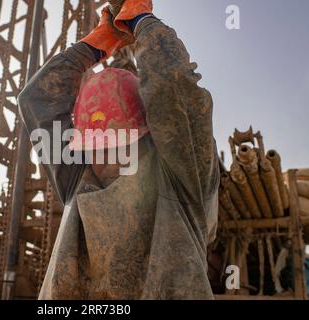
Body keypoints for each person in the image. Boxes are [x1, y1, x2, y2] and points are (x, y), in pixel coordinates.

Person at [18, 0, 219, 299]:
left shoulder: (180, 178)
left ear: (148, 138)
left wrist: (142, 21)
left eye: (118, 144)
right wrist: (95, 45)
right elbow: (37, 99)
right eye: (95, 147)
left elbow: (173, 89)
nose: (104, 160)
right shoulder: (79, 178)